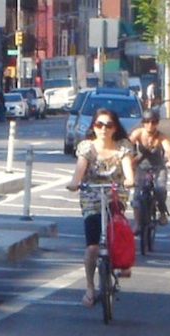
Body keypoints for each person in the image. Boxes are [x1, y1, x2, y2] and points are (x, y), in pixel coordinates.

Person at [66, 108, 134, 308]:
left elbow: (128, 168)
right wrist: (74, 182)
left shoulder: (123, 147)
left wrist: (129, 180)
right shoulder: (87, 147)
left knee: (117, 226)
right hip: (91, 196)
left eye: (108, 125)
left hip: (115, 193)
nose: (103, 129)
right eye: (99, 124)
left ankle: (123, 262)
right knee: (93, 246)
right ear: (93, 126)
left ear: (115, 128)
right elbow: (80, 169)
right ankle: (89, 287)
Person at [129, 109, 170, 229]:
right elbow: (128, 144)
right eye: (147, 121)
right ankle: (137, 224)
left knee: (160, 190)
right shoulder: (138, 133)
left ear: (157, 123)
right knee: (137, 195)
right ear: (143, 122)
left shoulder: (161, 136)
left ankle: (162, 213)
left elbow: (168, 149)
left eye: (153, 122)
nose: (150, 125)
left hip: (158, 167)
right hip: (141, 167)